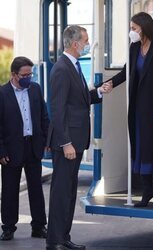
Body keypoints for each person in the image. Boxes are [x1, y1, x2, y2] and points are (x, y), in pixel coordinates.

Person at [46, 25, 112, 250]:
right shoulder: (62, 69)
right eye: (85, 41)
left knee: (69, 192)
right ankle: (54, 241)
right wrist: (65, 143)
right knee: (61, 193)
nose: (87, 44)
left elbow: (79, 100)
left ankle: (63, 237)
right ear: (75, 44)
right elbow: (57, 109)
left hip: (76, 141)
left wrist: (99, 92)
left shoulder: (72, 66)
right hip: (68, 143)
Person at [106, 12, 153, 208]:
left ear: (144, 28)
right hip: (139, 108)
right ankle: (147, 190)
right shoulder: (134, 47)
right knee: (141, 147)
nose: (131, 32)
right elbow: (125, 73)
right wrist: (106, 84)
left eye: (134, 28)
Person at [0, 56, 49, 240]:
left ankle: (38, 226)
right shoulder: (2, 93)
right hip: (11, 150)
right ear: (14, 75)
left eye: (31, 73)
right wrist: (1, 151)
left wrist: (46, 140)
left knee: (36, 188)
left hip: (33, 146)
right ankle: (8, 227)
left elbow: (44, 115)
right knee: (10, 189)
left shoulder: (35, 89)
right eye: (25, 74)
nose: (29, 77)